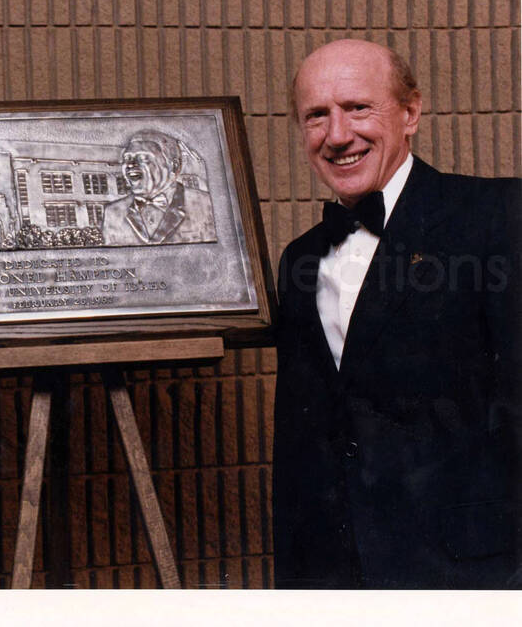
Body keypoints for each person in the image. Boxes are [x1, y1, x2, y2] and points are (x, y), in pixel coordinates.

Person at [273, 39, 521, 589]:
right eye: (317, 116)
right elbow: (299, 442)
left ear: (410, 113)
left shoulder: (501, 216)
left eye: (358, 108)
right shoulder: (300, 257)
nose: (337, 135)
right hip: (336, 575)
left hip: (473, 575)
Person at [102, 130, 215, 246]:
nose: (130, 164)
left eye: (143, 158)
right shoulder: (112, 212)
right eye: (127, 158)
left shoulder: (207, 205)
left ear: (174, 167)